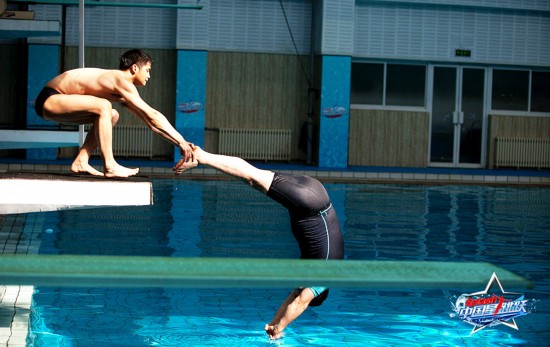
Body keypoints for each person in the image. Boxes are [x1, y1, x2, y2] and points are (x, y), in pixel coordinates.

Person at [173, 146, 344, 340]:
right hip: (309, 203)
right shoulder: (323, 279)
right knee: (251, 177)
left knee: (253, 175)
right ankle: (201, 156)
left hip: (315, 191)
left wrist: (273, 324)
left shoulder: (319, 271)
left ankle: (203, 157)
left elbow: (294, 296)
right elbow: (300, 303)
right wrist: (280, 330)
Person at [34, 49, 194, 178]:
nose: (149, 76)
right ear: (134, 68)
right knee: (104, 106)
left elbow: (151, 123)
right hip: (50, 98)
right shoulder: (120, 80)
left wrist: (180, 143)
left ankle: (81, 160)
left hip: (56, 103)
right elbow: (152, 114)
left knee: (112, 114)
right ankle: (109, 165)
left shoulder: (120, 89)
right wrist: (181, 141)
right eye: (148, 70)